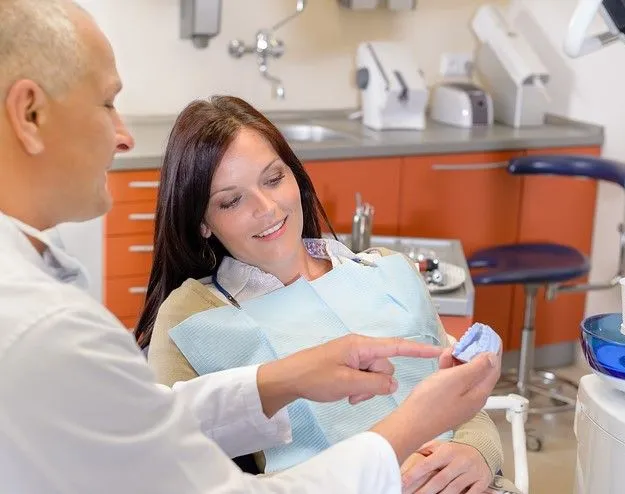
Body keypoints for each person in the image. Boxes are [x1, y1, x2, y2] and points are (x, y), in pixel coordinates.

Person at [0, 1, 502, 493]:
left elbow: (153, 420)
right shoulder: (63, 329)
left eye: (274, 177)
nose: (126, 136)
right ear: (30, 113)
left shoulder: (386, 269)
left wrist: (281, 381)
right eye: (108, 102)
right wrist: (410, 429)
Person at [134, 96, 518, 494]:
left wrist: (477, 453)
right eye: (232, 200)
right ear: (202, 223)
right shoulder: (193, 314)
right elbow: (169, 469)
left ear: (295, 176)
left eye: (273, 179)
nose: (267, 208)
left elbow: (459, 400)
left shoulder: (387, 270)